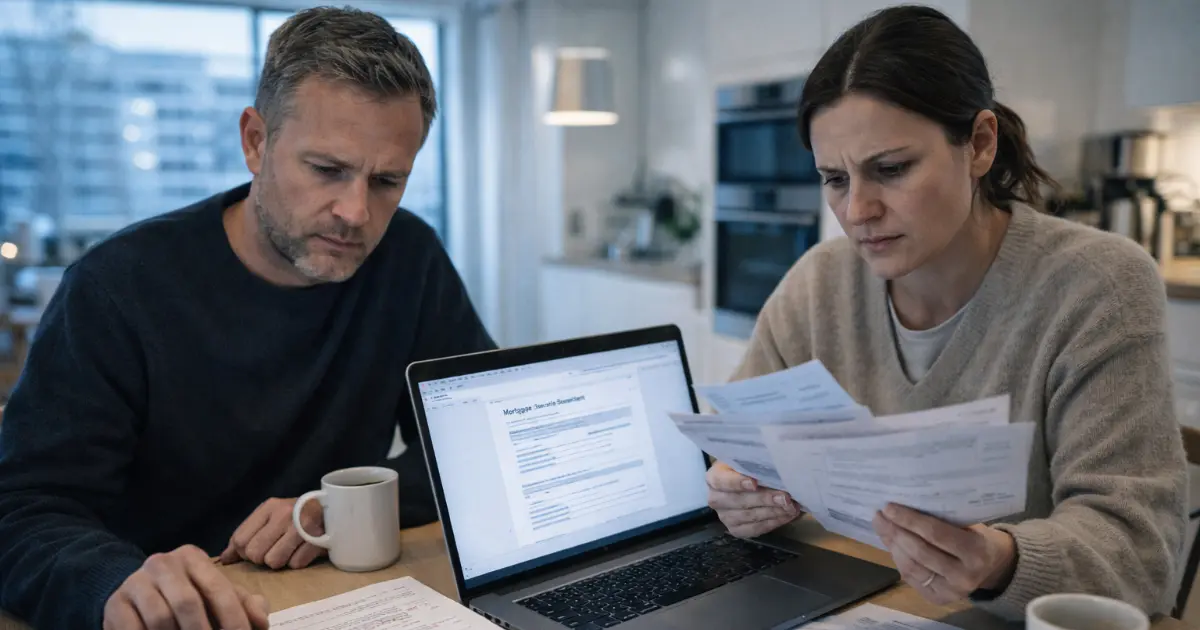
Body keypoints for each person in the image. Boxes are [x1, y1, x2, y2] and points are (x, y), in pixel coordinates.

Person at [0, 7, 494, 630]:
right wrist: (114, 583)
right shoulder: (116, 287)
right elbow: (23, 508)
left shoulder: (409, 257)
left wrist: (331, 510)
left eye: (387, 180)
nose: (356, 212)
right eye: (327, 170)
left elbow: (477, 446)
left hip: (346, 604)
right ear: (256, 142)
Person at [705, 5, 1187, 621]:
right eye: (834, 178)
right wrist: (737, 493)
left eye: (892, 169)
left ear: (980, 144)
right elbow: (739, 455)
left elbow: (1141, 558)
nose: (857, 210)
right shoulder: (818, 283)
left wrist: (998, 559)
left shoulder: (1096, 286)